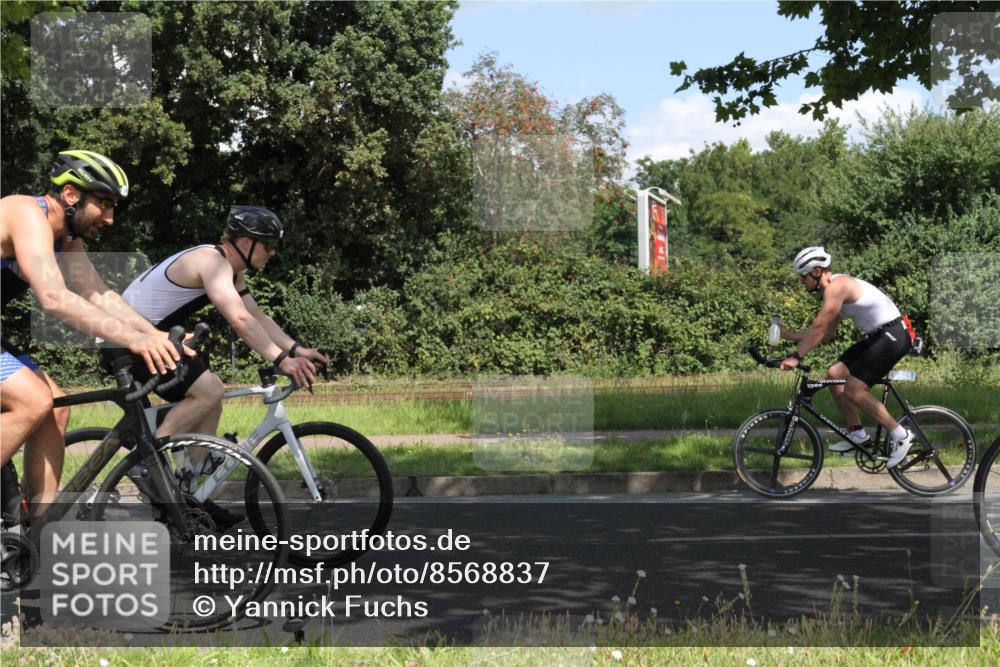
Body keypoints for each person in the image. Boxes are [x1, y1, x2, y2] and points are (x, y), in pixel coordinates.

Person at [101, 205, 326, 527]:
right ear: (246, 243)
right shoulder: (213, 262)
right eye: (269, 245)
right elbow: (239, 318)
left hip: (148, 339)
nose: (273, 253)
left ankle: (191, 496)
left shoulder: (231, 270)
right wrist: (282, 361)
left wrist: (296, 349)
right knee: (209, 389)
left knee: (209, 402)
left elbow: (258, 316)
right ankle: (146, 462)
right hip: (128, 341)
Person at [1, 150, 184, 517]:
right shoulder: (25, 213)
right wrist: (133, 340)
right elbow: (54, 297)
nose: (111, 218)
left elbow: (98, 293)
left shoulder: (64, 236)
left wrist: (154, 334)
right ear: (71, 194)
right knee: (33, 400)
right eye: (104, 203)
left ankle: (38, 534)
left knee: (55, 409)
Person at [777, 246, 915, 468]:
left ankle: (901, 435)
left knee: (854, 389)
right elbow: (826, 333)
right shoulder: (834, 292)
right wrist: (790, 336)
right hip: (880, 335)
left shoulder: (838, 287)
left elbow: (820, 327)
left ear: (816, 271)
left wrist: (796, 356)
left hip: (894, 334)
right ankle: (858, 435)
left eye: (803, 276)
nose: (802, 282)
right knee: (835, 374)